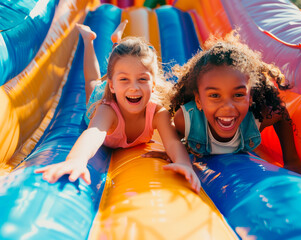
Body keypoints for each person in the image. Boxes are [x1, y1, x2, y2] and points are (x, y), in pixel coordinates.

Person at [35, 22, 201, 193]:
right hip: (101, 100)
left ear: (153, 85)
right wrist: (76, 159)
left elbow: (173, 142)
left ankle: (117, 42)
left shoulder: (158, 113)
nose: (134, 87)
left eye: (142, 79)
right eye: (124, 80)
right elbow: (93, 133)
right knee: (92, 82)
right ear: (112, 86)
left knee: (121, 66)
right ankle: (88, 40)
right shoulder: (107, 110)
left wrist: (182, 162)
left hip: (121, 91)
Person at [151, 32, 301, 180]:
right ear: (199, 100)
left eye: (238, 95)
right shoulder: (186, 119)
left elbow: (281, 114)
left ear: (250, 96)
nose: (228, 107)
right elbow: (173, 135)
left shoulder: (257, 118)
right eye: (215, 96)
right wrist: (174, 152)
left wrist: (292, 160)